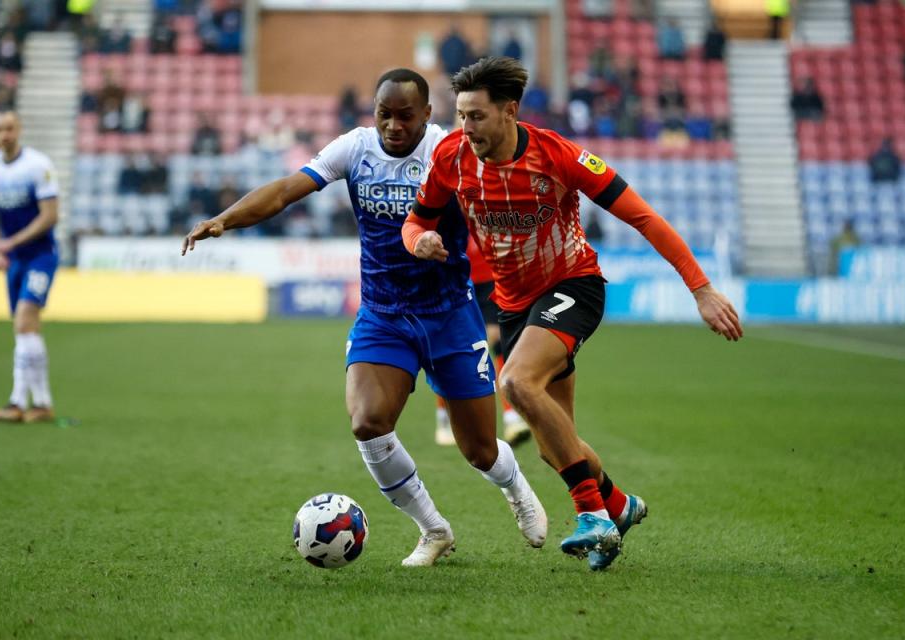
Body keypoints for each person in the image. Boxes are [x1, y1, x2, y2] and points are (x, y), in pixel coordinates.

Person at [182, 68, 547, 567]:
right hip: (384, 314)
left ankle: (517, 489)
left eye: (404, 116)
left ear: (426, 115)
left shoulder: (452, 149)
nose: (393, 126)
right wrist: (227, 218)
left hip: (449, 314)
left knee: (480, 449)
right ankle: (433, 529)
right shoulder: (355, 148)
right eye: (384, 114)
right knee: (368, 423)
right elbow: (289, 189)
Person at [404, 57, 742, 571]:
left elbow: (643, 217)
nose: (465, 127)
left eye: (476, 116)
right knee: (553, 444)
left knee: (515, 382)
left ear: (509, 111)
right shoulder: (452, 157)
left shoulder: (557, 155)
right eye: (461, 115)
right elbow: (416, 220)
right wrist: (419, 240)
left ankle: (593, 516)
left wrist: (701, 288)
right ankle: (618, 504)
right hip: (514, 303)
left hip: (572, 285)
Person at [0, 110, 59, 424]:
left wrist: (9, 243)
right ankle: (42, 404)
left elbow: (50, 216)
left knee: (24, 322)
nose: (5, 134)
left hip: (41, 255)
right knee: (27, 330)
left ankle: (16, 402)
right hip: (14, 260)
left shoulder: (38, 166)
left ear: (19, 129)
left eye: (10, 128)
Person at [434, 235, 531, 448]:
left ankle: (511, 418)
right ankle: (443, 418)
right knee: (453, 350)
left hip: (488, 278)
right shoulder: (442, 204)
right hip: (455, 279)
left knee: (497, 342)